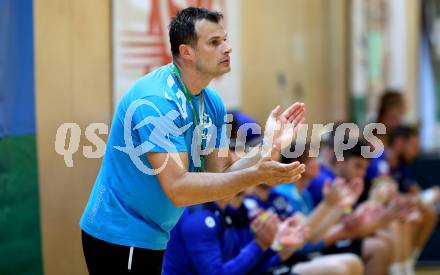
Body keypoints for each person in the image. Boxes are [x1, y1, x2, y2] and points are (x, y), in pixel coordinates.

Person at [80, 7, 306, 274]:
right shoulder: (156, 102)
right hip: (119, 233)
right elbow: (178, 188)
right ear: (187, 52)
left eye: (225, 39)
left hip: (153, 233)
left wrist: (269, 148)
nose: (227, 48)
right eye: (215, 42)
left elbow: (220, 177)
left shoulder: (212, 103)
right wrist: (257, 175)